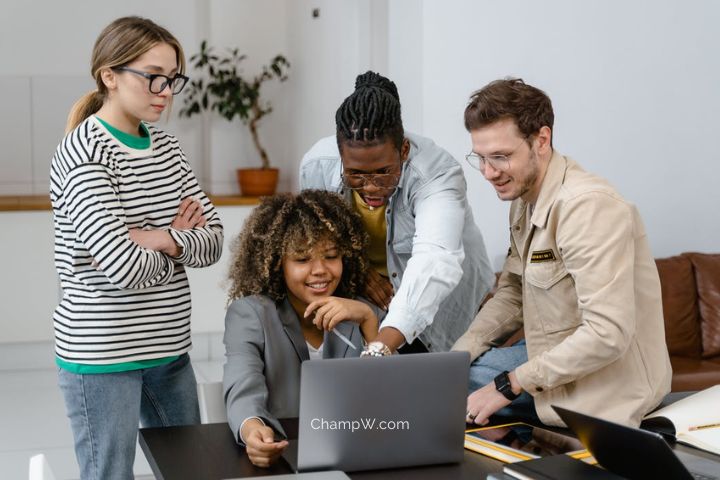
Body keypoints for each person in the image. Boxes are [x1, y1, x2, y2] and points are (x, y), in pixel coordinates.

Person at [50, 16, 224, 480]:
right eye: (153, 77)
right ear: (109, 75)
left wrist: (157, 237)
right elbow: (121, 268)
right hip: (102, 355)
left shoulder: (167, 147)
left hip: (169, 349)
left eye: (172, 79)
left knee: (192, 470)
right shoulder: (84, 153)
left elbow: (214, 241)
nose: (165, 90)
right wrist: (174, 244)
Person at [454, 78, 672, 428]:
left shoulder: (588, 208)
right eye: (480, 158)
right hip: (551, 351)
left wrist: (509, 385)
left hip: (608, 383)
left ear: (541, 140)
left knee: (457, 392)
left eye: (500, 157)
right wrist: (457, 356)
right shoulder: (524, 197)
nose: (488, 172)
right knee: (450, 379)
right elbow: (512, 292)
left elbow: (607, 333)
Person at [300, 71, 495, 355]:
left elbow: (435, 259)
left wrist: (381, 347)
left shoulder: (436, 174)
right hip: (370, 299)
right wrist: (358, 269)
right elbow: (316, 240)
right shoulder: (317, 165)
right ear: (341, 154)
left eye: (383, 172)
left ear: (403, 150)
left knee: (439, 383)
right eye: (355, 174)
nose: (371, 187)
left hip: (445, 306)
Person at [223, 190, 380, 468]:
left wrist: (369, 323)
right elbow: (242, 388)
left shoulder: (362, 311)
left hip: (357, 456)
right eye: (302, 259)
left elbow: (391, 397)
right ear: (277, 263)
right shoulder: (251, 314)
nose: (320, 270)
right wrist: (252, 430)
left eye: (330, 256)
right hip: (285, 457)